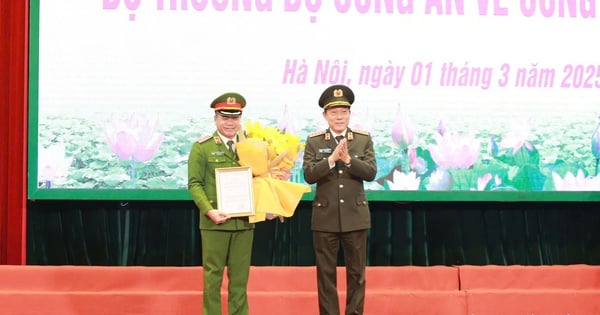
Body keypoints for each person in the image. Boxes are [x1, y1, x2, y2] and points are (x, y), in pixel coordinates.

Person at [302, 84, 377, 315]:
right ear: (325, 115)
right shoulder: (315, 141)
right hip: (325, 218)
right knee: (325, 275)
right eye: (334, 112)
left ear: (349, 114)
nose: (339, 117)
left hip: (355, 217)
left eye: (343, 112)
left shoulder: (362, 139)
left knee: (357, 274)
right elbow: (309, 175)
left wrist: (348, 160)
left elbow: (371, 172)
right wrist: (331, 160)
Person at [188, 92, 254, 315]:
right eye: (225, 117)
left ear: (240, 119)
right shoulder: (202, 147)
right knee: (212, 278)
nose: (230, 123)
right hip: (215, 222)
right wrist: (209, 210)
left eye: (234, 118)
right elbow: (194, 184)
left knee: (240, 280)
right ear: (216, 118)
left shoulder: (252, 145)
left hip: (244, 222)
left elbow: (261, 180)